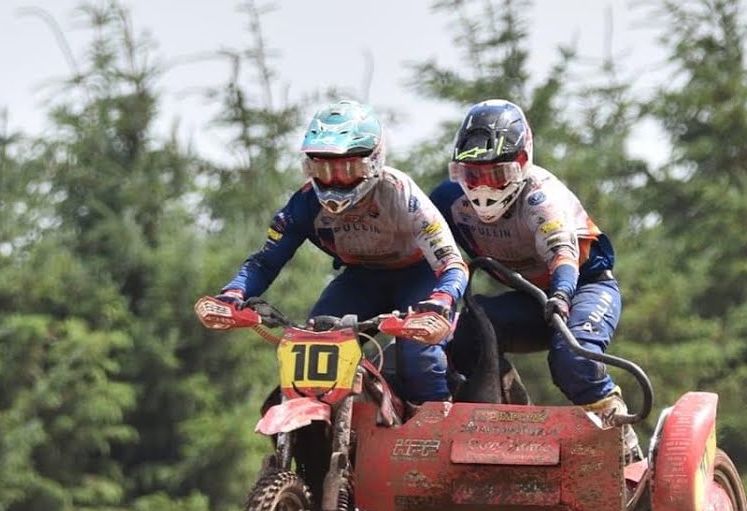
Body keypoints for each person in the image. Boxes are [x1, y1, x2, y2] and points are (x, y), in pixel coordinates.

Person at [212, 99, 468, 406]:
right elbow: (265, 261)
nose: (333, 180)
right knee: (315, 341)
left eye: (346, 169)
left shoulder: (402, 194)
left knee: (418, 356)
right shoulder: (304, 204)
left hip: (418, 277)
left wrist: (442, 299)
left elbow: (453, 263)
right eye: (321, 168)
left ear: (372, 163)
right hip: (360, 280)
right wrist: (234, 292)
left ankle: (436, 426)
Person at [429, 99, 643, 464]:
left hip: (584, 289)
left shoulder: (543, 197)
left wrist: (560, 296)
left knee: (572, 360)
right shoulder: (448, 202)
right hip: (529, 296)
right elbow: (427, 248)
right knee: (468, 334)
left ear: (522, 164)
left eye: (496, 176)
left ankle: (623, 444)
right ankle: (500, 412)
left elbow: (563, 253)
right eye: (472, 176)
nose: (484, 189)